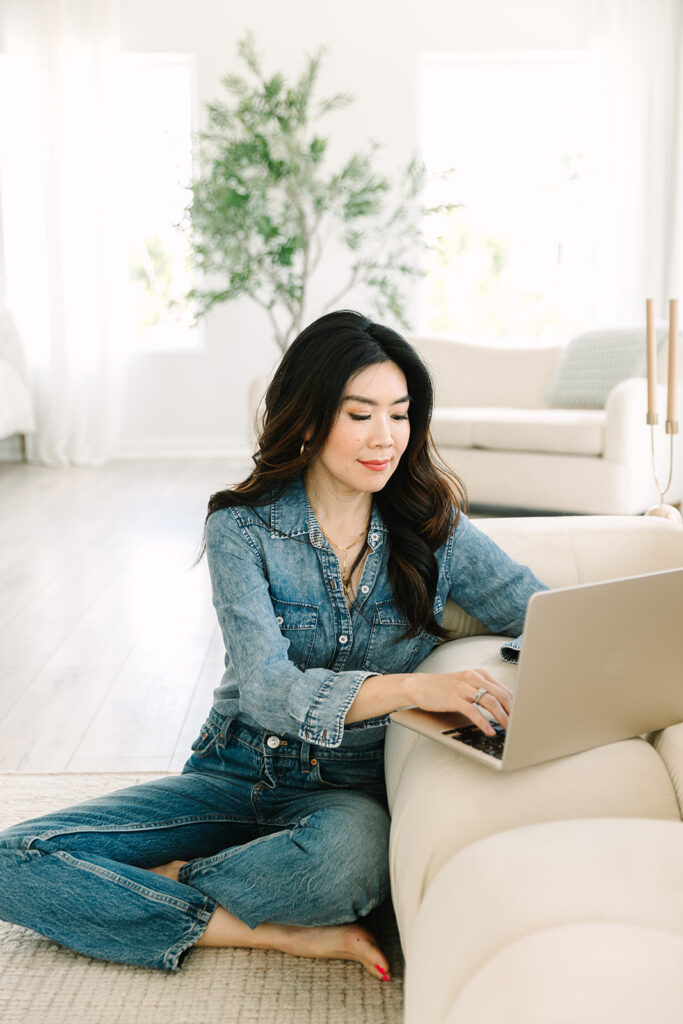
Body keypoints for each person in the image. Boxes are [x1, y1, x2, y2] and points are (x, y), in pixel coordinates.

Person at [0, 310, 547, 981]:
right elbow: (264, 687)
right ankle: (274, 932)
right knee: (11, 860)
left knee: (351, 866)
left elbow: (542, 615)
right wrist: (410, 689)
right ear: (310, 418)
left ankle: (163, 883)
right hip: (232, 769)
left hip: (343, 791)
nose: (385, 438)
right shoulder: (241, 526)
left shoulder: (437, 530)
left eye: (400, 415)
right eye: (360, 414)